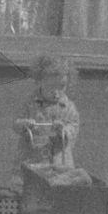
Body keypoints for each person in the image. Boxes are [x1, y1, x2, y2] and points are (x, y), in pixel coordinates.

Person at [11, 55, 80, 189]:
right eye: (51, 87)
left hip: (60, 163)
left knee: (58, 191)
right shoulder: (30, 104)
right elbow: (16, 124)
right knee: (27, 189)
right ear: (39, 82)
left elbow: (73, 126)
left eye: (62, 87)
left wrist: (64, 130)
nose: (57, 92)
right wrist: (24, 124)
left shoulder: (68, 107)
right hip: (32, 159)